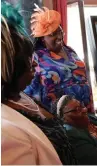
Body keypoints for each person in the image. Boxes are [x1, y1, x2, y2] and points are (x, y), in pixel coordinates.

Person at [1, 2, 62, 164]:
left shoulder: (20, 97)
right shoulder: (7, 134)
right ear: (10, 69)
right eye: (28, 61)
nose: (34, 64)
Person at [24, 6, 94, 113]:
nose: (59, 36)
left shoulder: (70, 51)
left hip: (84, 112)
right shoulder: (37, 58)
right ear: (43, 38)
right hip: (59, 119)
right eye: (53, 34)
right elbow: (30, 93)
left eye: (60, 31)